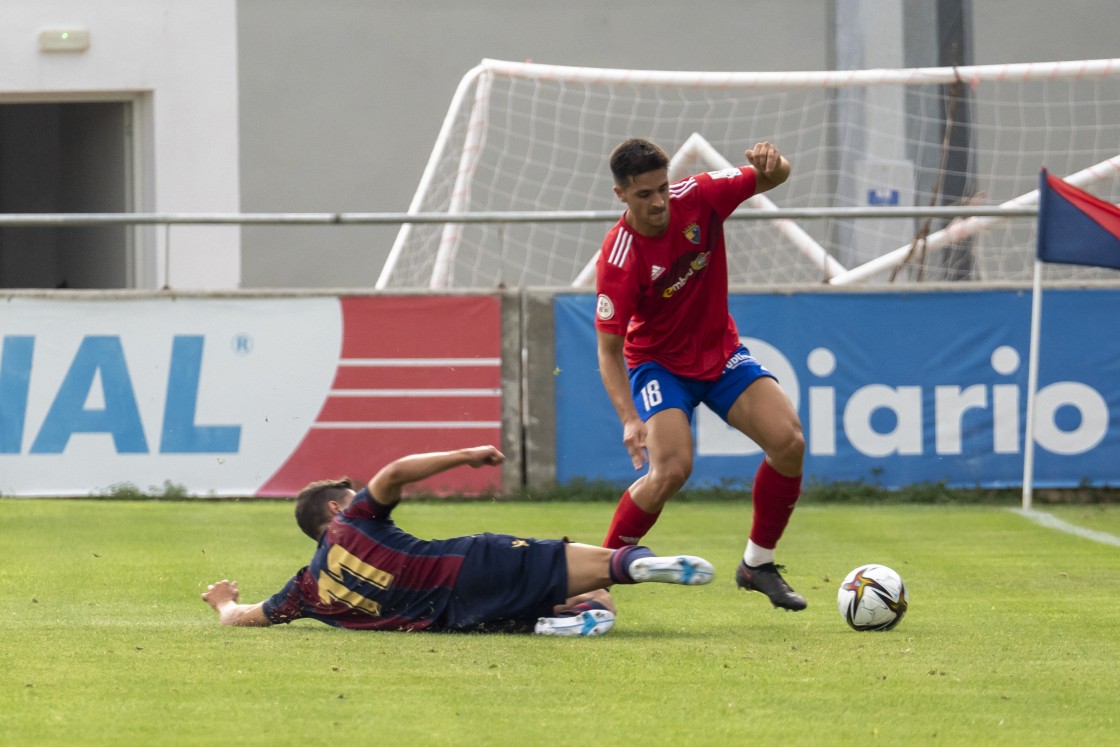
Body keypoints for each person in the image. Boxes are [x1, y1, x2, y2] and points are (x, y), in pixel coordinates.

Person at [594, 137, 807, 611]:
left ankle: (758, 563)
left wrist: (776, 162)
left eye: (661, 189)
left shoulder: (701, 195)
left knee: (789, 441)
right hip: (660, 364)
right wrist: (630, 419)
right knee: (671, 469)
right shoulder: (619, 257)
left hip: (720, 353)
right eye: (644, 194)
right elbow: (608, 350)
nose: (658, 203)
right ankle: (596, 577)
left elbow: (776, 177)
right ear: (621, 195)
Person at [201, 445, 714, 637]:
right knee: (606, 571)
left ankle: (552, 625)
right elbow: (397, 469)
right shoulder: (351, 519)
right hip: (471, 565)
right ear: (335, 508)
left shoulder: (309, 588)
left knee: (597, 603)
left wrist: (224, 601)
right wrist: (467, 456)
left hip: (461, 618)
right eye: (351, 493)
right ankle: (641, 563)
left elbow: (243, 618)